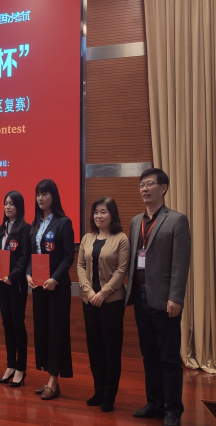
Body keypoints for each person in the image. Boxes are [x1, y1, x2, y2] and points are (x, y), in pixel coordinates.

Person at [124, 168, 190, 426]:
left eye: (150, 184)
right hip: (140, 298)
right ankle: (154, 403)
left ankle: (173, 409)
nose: (144, 189)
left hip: (165, 300)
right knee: (149, 355)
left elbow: (180, 263)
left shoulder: (176, 220)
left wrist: (176, 298)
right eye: (141, 185)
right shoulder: (135, 222)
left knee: (169, 358)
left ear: (163, 188)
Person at [77, 196, 129, 412]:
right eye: (96, 212)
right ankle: (98, 389)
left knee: (111, 349)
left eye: (103, 212)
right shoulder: (87, 238)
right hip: (89, 301)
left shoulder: (121, 239)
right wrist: (89, 292)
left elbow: (122, 270)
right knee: (94, 348)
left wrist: (103, 293)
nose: (99, 216)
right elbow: (80, 266)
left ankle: (109, 394)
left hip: (111, 303)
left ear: (112, 214)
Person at [26, 179, 75, 400]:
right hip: (38, 287)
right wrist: (28, 273)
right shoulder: (35, 224)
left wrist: (55, 279)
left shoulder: (63, 222)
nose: (40, 198)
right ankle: (48, 378)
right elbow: (31, 255)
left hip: (57, 288)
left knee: (56, 332)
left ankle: (54, 382)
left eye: (44, 194)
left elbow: (68, 257)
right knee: (43, 331)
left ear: (53, 196)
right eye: (38, 194)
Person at [0, 191, 31, 387]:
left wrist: (12, 276)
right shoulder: (1, 230)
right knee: (7, 323)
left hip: (16, 284)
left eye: (12, 204)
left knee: (17, 324)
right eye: (6, 203)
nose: (8, 207)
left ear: (19, 207)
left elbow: (25, 257)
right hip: (2, 284)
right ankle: (10, 365)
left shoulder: (25, 228)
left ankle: (21, 368)